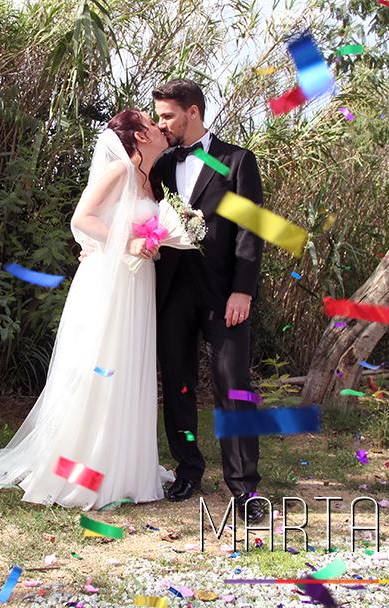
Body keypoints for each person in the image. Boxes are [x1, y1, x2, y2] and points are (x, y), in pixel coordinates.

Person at [0, 110, 176, 509]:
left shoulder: (150, 179)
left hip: (137, 280)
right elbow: (83, 218)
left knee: (127, 364)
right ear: (140, 135)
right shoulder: (120, 170)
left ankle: (125, 467)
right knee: (103, 363)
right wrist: (126, 244)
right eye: (151, 121)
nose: (160, 127)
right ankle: (87, 467)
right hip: (110, 282)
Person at [150, 79, 266, 521]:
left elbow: (251, 230)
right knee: (178, 385)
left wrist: (243, 289)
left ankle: (244, 487)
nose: (162, 124)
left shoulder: (236, 161)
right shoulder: (160, 166)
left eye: (168, 116)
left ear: (193, 112)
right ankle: (188, 470)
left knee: (233, 386)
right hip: (171, 293)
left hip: (224, 294)